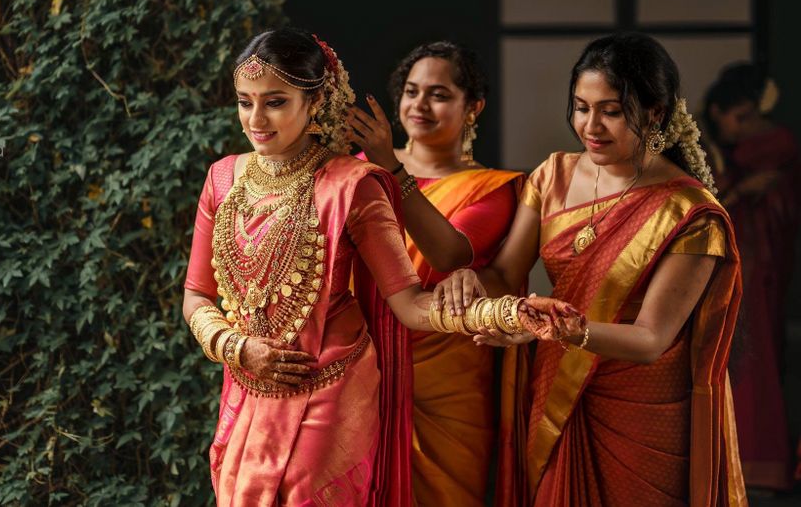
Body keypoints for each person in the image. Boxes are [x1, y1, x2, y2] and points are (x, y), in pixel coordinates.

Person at [181, 27, 575, 506]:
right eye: (246, 102)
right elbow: (197, 294)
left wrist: (505, 315)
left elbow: (410, 302)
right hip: (245, 389)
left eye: (276, 102)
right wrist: (236, 348)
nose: (256, 119)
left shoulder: (354, 183)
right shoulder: (222, 177)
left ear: (315, 101)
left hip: (331, 388)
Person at [436, 32, 747, 506]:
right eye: (582, 107)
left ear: (655, 112)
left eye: (612, 111)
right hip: (559, 386)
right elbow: (504, 274)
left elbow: (650, 339)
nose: (591, 126)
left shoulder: (688, 212)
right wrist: (469, 277)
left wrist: (552, 330)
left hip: (642, 409)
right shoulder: (553, 175)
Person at [345, 41, 521, 506]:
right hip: (359, 368)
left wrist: (391, 168)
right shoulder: (354, 174)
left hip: (448, 386)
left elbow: (448, 254)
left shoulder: (494, 188)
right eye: (411, 91)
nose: (419, 105)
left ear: (473, 107)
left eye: (439, 94)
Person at [703, 62, 801, 491]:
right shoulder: (753, 157)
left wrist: (736, 189)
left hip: (759, 264)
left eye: (735, 116)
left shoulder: (773, 145)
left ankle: (758, 462)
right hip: (749, 260)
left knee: (754, 354)